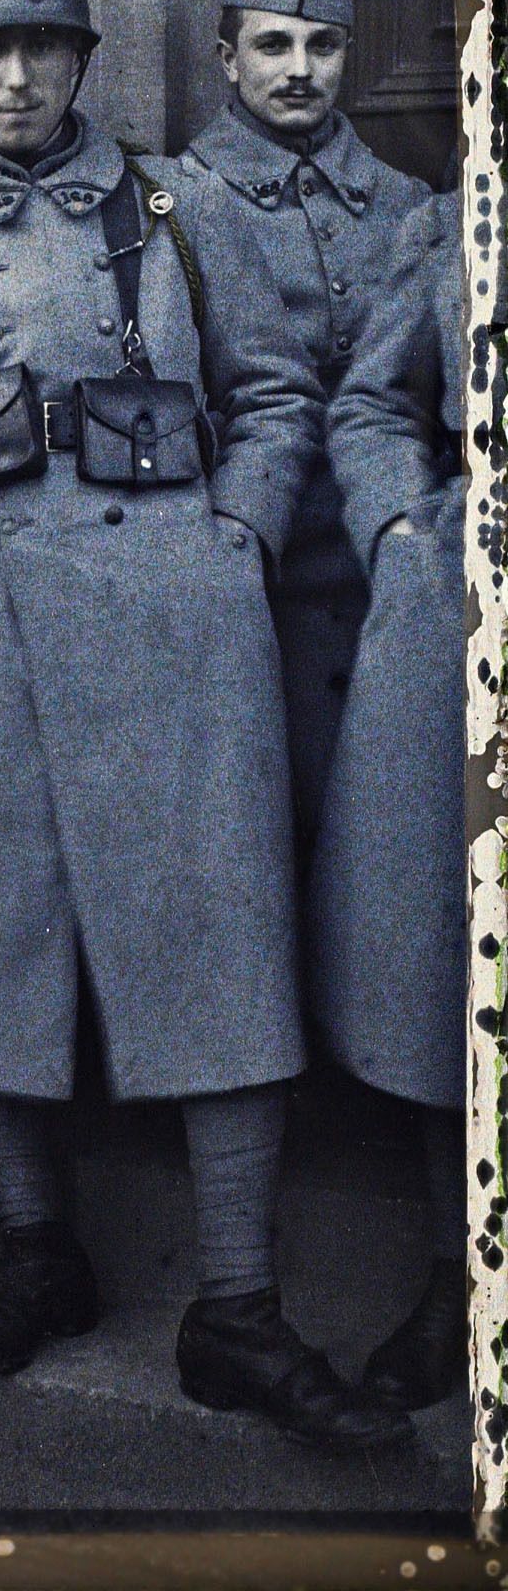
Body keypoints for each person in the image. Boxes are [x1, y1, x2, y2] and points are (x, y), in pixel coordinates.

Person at [0, 0, 410, 1451]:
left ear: (83, 64)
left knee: (218, 945)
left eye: (40, 52)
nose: (13, 80)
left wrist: (229, 540)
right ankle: (31, 1252)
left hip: (172, 629)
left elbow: (270, 395)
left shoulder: (174, 204)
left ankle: (236, 1309)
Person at [177, 0, 432, 863]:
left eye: (320, 46)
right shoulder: (174, 201)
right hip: (246, 578)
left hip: (384, 576)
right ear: (226, 59)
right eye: (272, 45)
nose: (297, 70)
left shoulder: (411, 207)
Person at [310, 190, 467, 1408]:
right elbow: (370, 397)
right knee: (444, 959)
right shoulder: (458, 223)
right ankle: (461, 1279)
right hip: (466, 608)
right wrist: (404, 527)